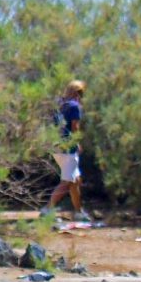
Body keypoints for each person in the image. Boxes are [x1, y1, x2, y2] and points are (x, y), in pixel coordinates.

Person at [45, 78, 88, 222]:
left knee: (75, 179)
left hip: (56, 146)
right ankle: (47, 210)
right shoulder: (74, 106)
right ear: (77, 93)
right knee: (67, 181)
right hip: (68, 147)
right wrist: (77, 143)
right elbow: (75, 127)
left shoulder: (59, 105)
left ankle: (79, 211)